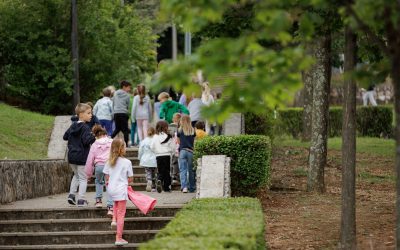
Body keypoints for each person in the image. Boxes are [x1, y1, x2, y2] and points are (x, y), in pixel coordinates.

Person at [63, 103, 96, 206]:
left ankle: (71, 195)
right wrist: (93, 136)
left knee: (76, 176)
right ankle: (81, 200)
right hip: (82, 156)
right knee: (83, 178)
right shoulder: (85, 128)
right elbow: (87, 141)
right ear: (81, 114)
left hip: (72, 156)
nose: (91, 115)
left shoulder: (73, 126)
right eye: (89, 113)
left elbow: (65, 136)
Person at [103, 138, 133, 246]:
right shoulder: (127, 162)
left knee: (115, 204)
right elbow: (130, 179)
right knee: (122, 214)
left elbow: (106, 176)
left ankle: (114, 220)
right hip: (121, 189)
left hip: (112, 189)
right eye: (124, 146)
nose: (125, 148)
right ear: (121, 149)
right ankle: (119, 237)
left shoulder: (109, 161)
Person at [85, 125, 114, 214]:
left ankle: (98, 201)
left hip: (99, 166)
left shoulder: (94, 144)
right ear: (105, 133)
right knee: (109, 184)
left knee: (98, 181)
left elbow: (90, 160)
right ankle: (110, 207)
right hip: (109, 165)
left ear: (96, 135)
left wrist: (88, 174)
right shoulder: (112, 142)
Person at [150, 120, 175, 193]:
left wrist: (156, 152)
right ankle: (166, 187)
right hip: (167, 155)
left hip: (158, 156)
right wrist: (171, 152)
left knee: (160, 170)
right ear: (166, 128)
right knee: (167, 171)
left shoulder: (155, 136)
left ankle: (159, 179)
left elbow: (151, 146)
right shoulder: (168, 136)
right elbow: (172, 147)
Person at [177, 115, 196, 193]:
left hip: (182, 151)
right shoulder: (193, 130)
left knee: (183, 170)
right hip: (191, 151)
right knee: (191, 170)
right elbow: (194, 142)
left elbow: (178, 142)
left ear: (182, 121)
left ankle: (184, 187)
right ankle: (192, 187)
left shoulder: (179, 130)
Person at [111, 80, 132, 146]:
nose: (129, 89)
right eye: (128, 87)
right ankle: (126, 144)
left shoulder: (115, 93)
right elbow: (127, 105)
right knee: (125, 130)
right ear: (124, 87)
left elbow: (113, 103)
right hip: (123, 113)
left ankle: (109, 139)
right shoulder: (127, 95)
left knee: (117, 129)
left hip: (116, 113)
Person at [138, 127, 157, 192]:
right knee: (154, 172)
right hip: (154, 159)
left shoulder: (144, 141)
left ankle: (149, 181)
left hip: (146, 159)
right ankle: (154, 187)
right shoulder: (155, 140)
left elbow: (140, 150)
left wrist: (139, 158)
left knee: (148, 171)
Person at [169, 113, 182, 185]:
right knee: (174, 162)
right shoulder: (172, 126)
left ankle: (175, 177)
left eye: (174, 118)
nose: (173, 119)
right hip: (174, 146)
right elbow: (170, 135)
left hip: (176, 146)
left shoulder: (180, 126)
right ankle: (174, 177)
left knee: (175, 162)